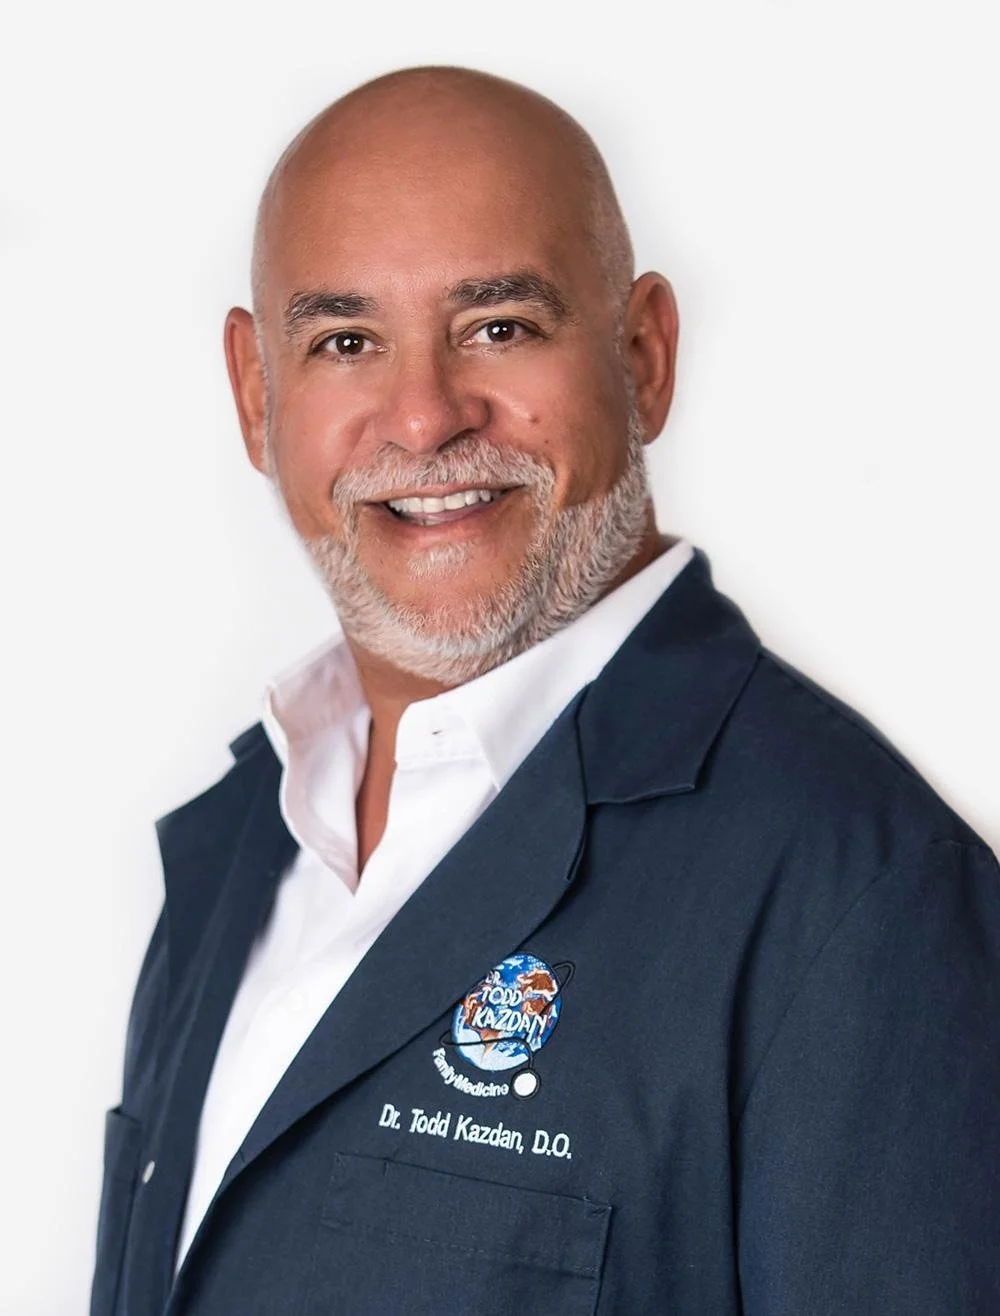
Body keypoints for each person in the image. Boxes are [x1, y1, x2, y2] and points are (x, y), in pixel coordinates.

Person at [91, 65, 1000, 1316]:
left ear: (643, 356)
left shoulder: (859, 901)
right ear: (258, 393)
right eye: (346, 341)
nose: (424, 417)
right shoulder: (247, 840)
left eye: (500, 326)